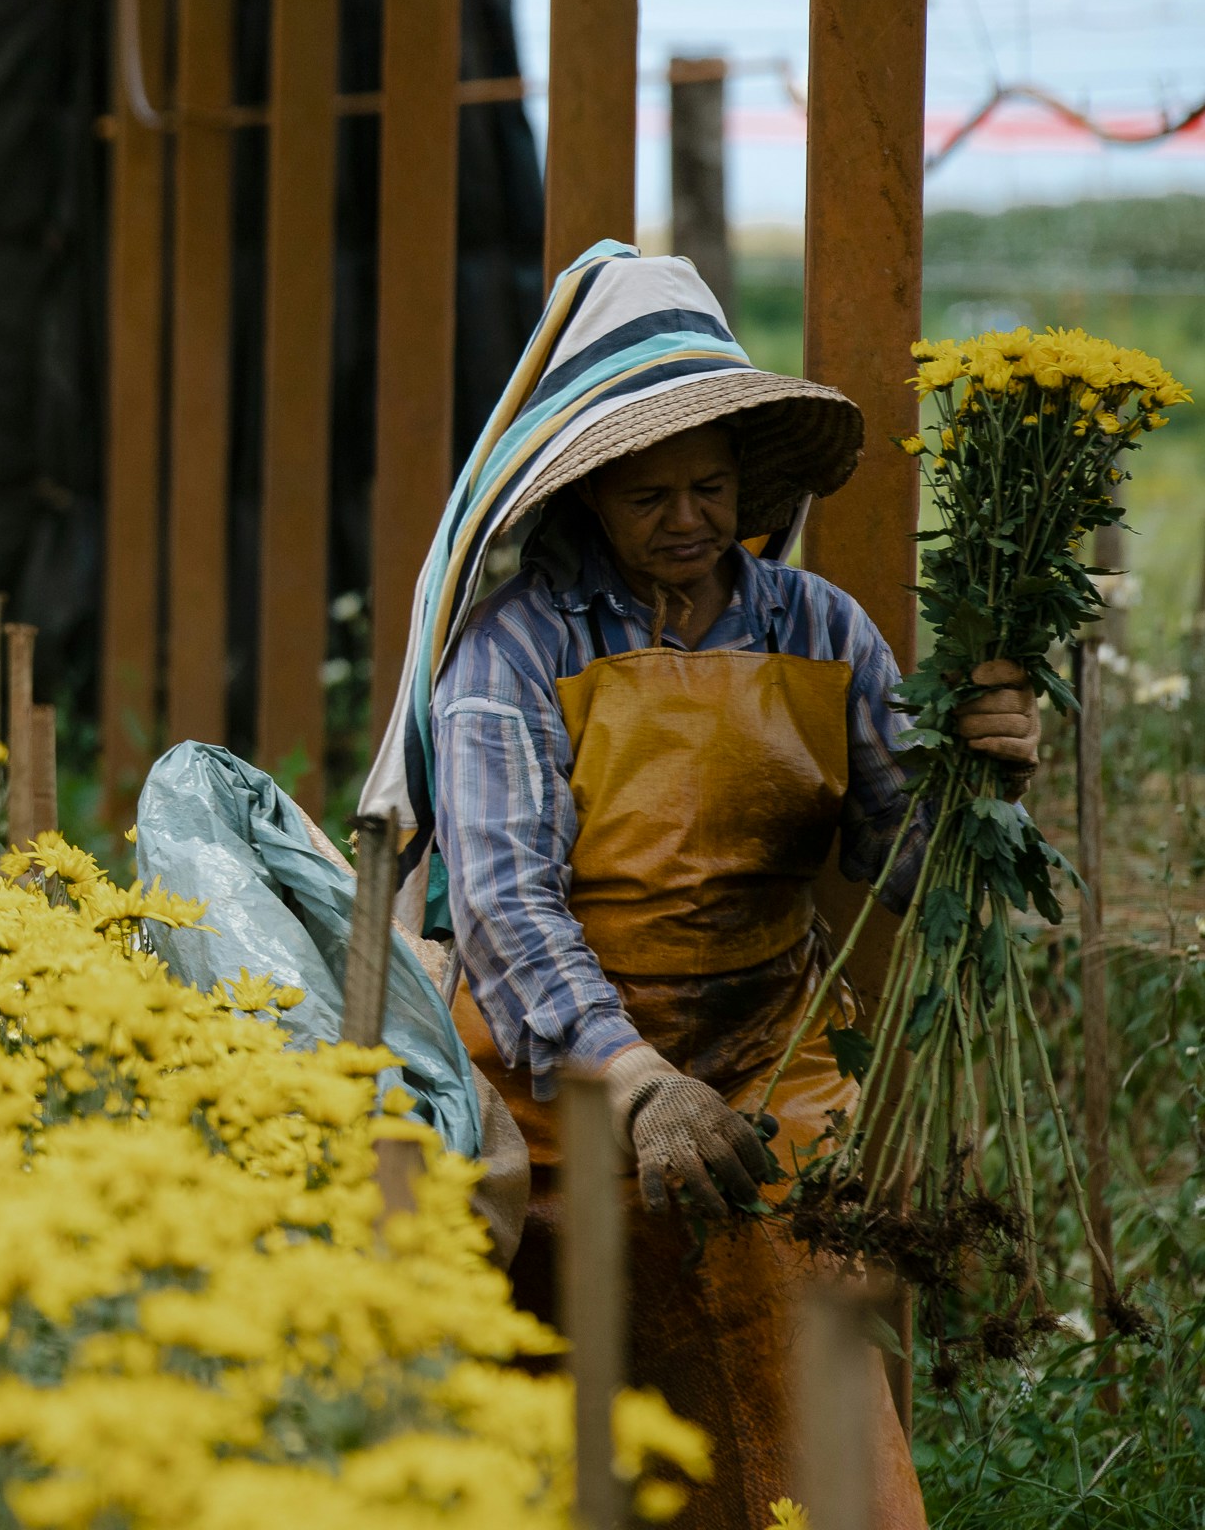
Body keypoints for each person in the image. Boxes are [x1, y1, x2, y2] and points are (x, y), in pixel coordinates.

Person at [429, 264, 1040, 1530]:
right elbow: (503, 905)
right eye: (649, 493)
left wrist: (982, 784)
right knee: (569, 1415)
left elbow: (901, 861)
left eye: (709, 485)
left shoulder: (820, 625)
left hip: (773, 1064)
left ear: (749, 476)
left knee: (812, 1412)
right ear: (587, 495)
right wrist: (640, 1080)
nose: (687, 517)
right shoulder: (519, 643)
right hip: (559, 1079)